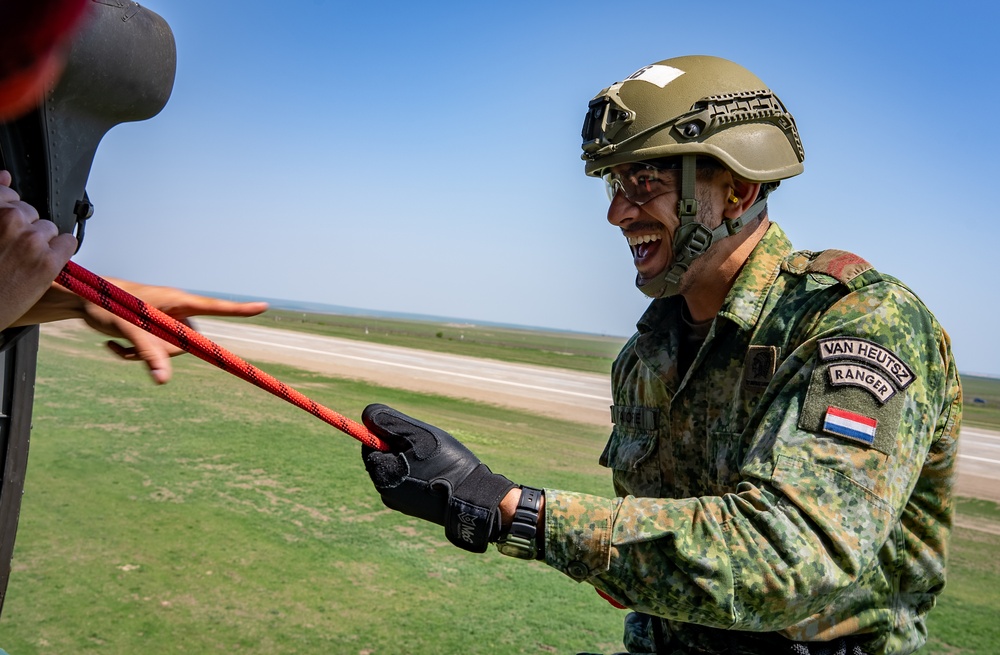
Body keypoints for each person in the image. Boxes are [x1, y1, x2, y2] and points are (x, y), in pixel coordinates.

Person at [359, 55, 962, 655]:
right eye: (615, 184)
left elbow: (787, 561)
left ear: (738, 189)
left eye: (645, 182)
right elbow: (655, 563)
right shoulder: (646, 357)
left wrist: (508, 507)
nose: (618, 212)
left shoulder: (856, 324)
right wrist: (484, 502)